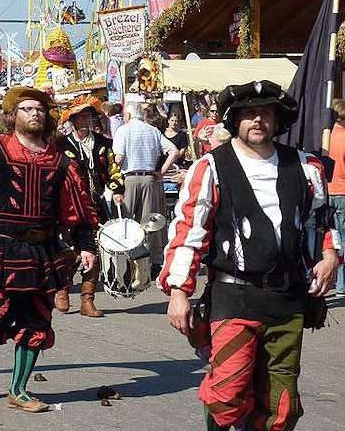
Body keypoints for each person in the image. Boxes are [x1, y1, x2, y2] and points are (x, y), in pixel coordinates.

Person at [159, 81, 342, 431]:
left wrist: (331, 254)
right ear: (235, 120)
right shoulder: (210, 167)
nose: (258, 120)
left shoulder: (306, 167)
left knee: (281, 407)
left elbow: (321, 220)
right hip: (233, 297)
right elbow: (188, 232)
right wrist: (179, 292)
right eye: (249, 114)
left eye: (266, 112)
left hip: (287, 300)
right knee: (226, 394)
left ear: (278, 119)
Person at [0, 86, 98, 412]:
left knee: (37, 320)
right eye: (27, 109)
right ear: (12, 116)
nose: (35, 114)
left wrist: (85, 247)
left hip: (44, 250)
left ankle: (19, 390)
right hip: (2, 247)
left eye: (39, 109)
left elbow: (79, 211)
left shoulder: (61, 163)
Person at [55, 94, 125, 317]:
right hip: (70, 205)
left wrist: (117, 190)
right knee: (73, 250)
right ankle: (63, 289)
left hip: (96, 204)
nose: (85, 122)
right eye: (80, 118)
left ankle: (87, 300)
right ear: (72, 121)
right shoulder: (61, 144)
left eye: (88, 117)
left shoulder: (104, 143)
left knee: (96, 249)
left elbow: (113, 169)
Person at [113, 102, 179, 277]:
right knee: (150, 220)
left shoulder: (123, 130)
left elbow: (118, 159)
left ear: (127, 115)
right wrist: (161, 172)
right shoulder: (153, 131)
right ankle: (155, 261)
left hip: (130, 178)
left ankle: (129, 259)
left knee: (127, 220)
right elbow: (174, 151)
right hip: (150, 177)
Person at [329, 99, 345, 297]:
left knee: (327, 239)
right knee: (342, 239)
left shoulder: (324, 136)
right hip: (342, 190)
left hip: (325, 191)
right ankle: (341, 283)